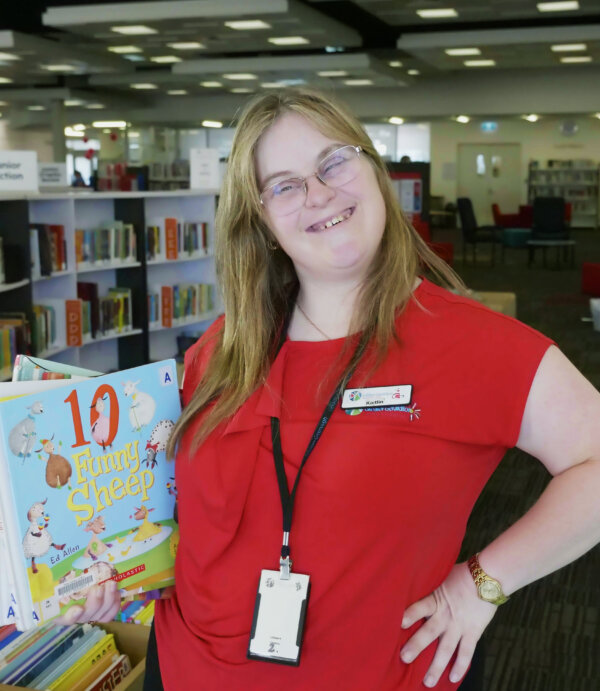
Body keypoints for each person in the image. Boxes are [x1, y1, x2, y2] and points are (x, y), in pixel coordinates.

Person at [58, 88, 600, 690]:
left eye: (334, 162)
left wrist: (485, 582)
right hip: (185, 667)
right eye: (284, 185)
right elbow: (185, 523)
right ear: (261, 221)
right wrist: (118, 577)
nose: (318, 193)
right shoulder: (220, 350)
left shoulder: (472, 344)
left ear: (374, 169)